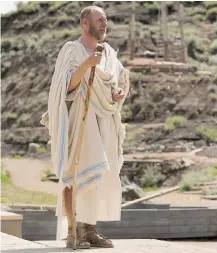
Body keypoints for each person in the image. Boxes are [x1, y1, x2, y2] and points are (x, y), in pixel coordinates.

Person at [41, 5, 130, 249]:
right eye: (99, 19)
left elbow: (118, 81)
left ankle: (90, 230)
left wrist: (117, 94)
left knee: (101, 176)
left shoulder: (109, 53)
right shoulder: (71, 50)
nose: (104, 23)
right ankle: (73, 233)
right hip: (81, 120)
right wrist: (87, 65)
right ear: (85, 23)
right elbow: (66, 87)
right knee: (79, 175)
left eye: (105, 20)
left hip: (105, 122)